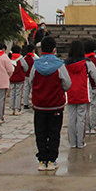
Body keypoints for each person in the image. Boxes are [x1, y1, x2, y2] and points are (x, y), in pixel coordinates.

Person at [29, 36, 71, 171]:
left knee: (40, 132)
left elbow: (31, 82)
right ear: (54, 49)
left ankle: (42, 160)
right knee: (54, 133)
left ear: (41, 50)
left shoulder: (35, 65)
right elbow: (67, 84)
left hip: (39, 105)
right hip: (55, 105)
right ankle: (52, 160)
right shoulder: (60, 65)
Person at [64, 39, 96, 149]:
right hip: (83, 93)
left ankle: (72, 142)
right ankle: (80, 142)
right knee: (81, 119)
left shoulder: (65, 64)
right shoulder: (87, 63)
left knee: (71, 118)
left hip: (70, 94)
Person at [8, 45, 29, 116]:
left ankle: (11, 109)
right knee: (18, 94)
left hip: (11, 78)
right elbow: (25, 67)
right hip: (19, 78)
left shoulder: (9, 58)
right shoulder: (21, 58)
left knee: (12, 93)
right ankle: (17, 109)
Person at [22, 44, 37, 110]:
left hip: (25, 75)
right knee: (33, 90)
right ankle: (34, 103)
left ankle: (25, 103)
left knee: (26, 89)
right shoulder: (35, 58)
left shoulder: (24, 57)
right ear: (33, 50)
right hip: (32, 75)